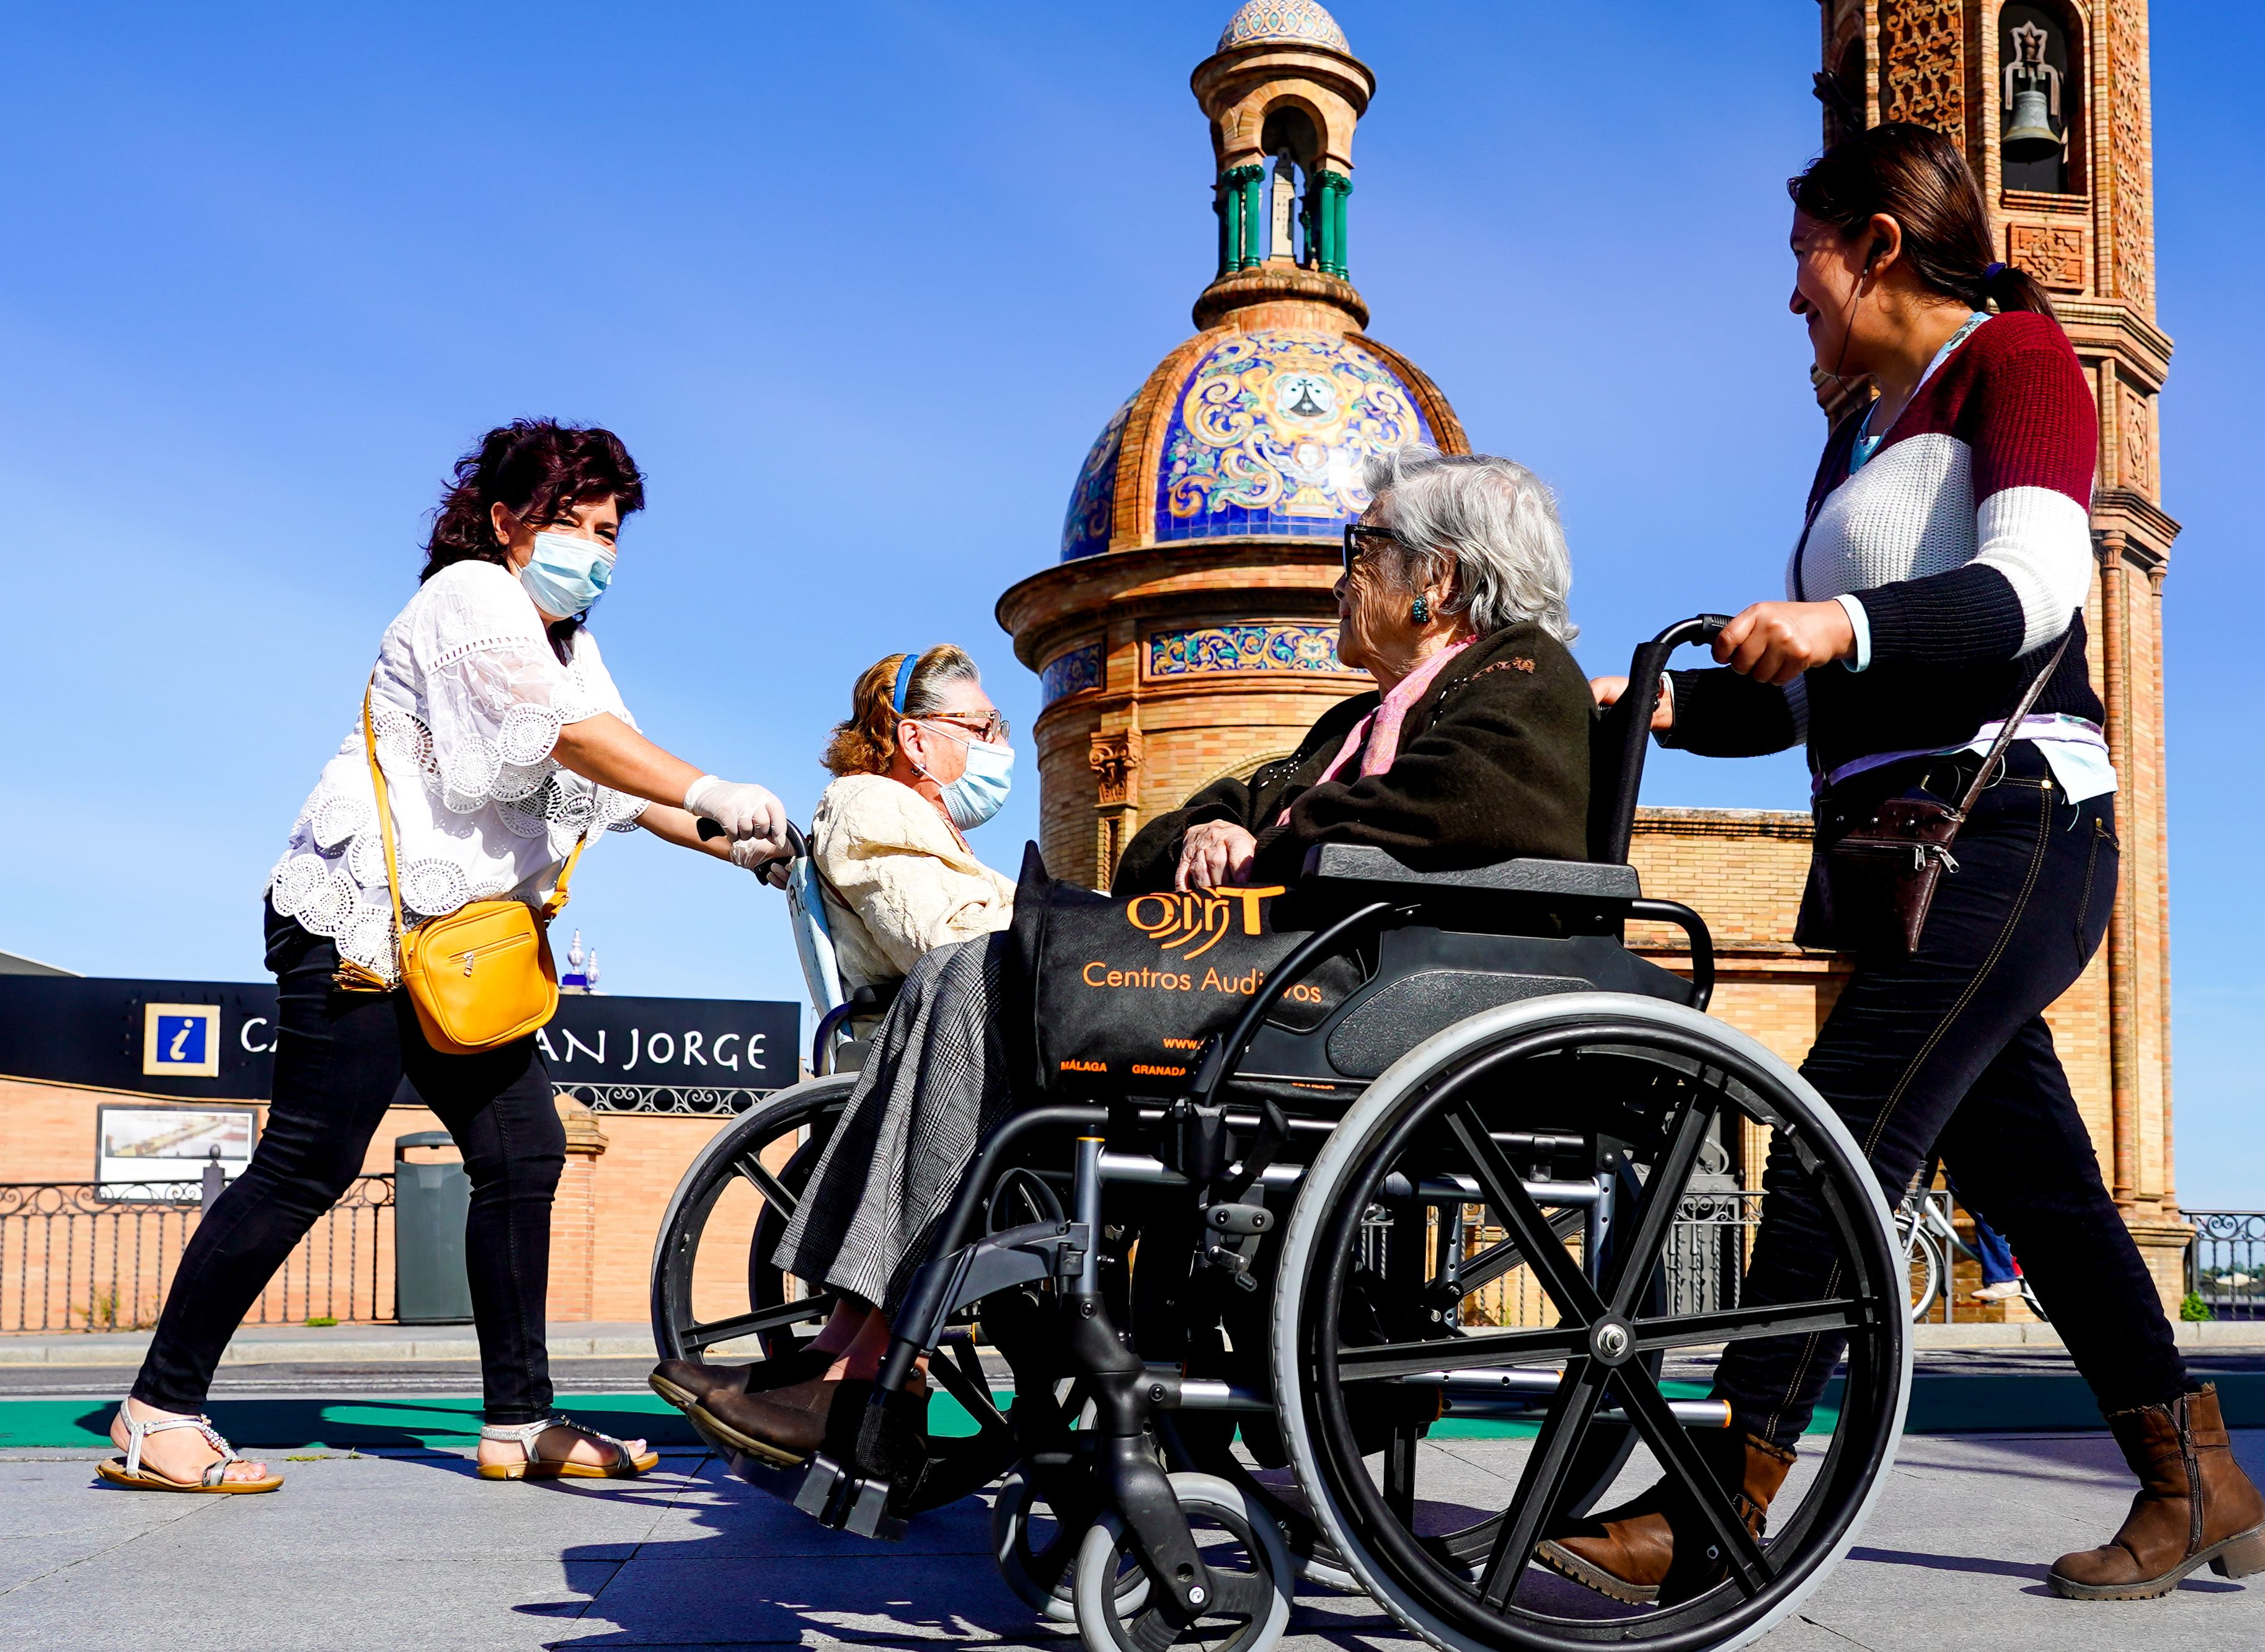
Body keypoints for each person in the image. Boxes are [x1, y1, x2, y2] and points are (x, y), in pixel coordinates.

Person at [1548, 124, 2265, 1606]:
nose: (1792, 300)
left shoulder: (2017, 361)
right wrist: (1666, 706)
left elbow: (2029, 588)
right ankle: (2196, 1474)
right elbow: (1821, 696)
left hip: (2013, 827)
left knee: (1837, 1127)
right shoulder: (1856, 435)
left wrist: (1843, 625)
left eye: (1801, 261)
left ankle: (1721, 1502)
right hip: (1910, 855)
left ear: (1876, 244)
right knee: (2048, 1189)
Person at [654, 446, 1593, 1461]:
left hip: (1352, 1001)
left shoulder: (1523, 679)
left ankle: (867, 1368)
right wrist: (1230, 830)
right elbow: (1165, 842)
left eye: (1360, 547)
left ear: (1438, 578)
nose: (1341, 571)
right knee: (960, 975)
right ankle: (854, 1349)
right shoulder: (1353, 721)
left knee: (981, 970)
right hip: (1286, 985)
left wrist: (1266, 833)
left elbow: (1447, 812)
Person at [101, 421, 797, 1495]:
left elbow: (622, 777)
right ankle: (156, 1411)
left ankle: (519, 1419)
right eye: (570, 521)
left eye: (609, 530)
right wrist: (711, 784)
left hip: (458, 949)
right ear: (508, 518)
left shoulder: (568, 639)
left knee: (523, 1153)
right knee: (308, 1161)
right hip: (364, 924)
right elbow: (570, 737)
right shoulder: (470, 596)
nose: (595, 549)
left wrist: (735, 838)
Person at [807, 646, 1018, 995]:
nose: (1002, 745)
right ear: (916, 742)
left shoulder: (905, 818)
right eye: (984, 729)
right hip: (929, 1046)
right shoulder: (869, 805)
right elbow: (954, 953)